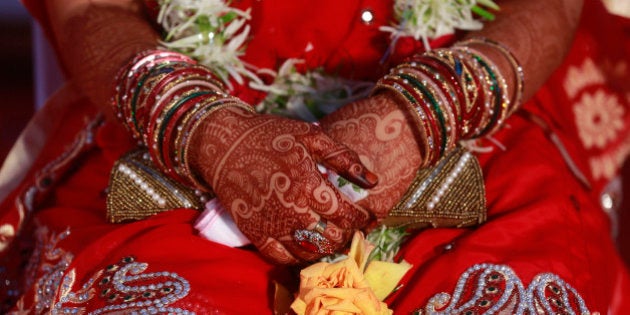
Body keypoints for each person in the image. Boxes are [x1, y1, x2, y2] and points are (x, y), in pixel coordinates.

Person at [0, 0, 629, 313]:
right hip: (183, 128)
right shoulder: (194, 128)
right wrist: (205, 130)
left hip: (463, 128)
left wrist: (423, 112)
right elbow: (89, 9)